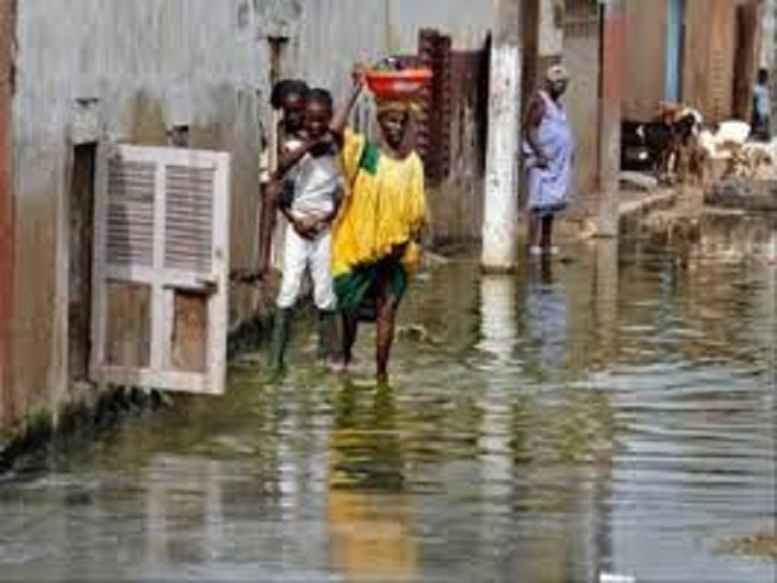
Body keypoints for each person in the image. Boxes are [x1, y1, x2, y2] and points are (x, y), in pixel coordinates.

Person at [329, 65, 428, 383]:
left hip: (395, 250)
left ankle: (382, 375)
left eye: (401, 121)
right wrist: (356, 90)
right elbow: (335, 130)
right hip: (357, 247)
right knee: (350, 308)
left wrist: (410, 242)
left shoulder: (412, 164)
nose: (396, 127)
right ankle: (346, 353)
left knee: (388, 309)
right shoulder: (364, 153)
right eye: (390, 121)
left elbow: (416, 213)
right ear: (379, 121)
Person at [268, 88, 344, 372]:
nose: (315, 125)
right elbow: (280, 169)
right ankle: (276, 361)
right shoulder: (294, 146)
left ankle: (325, 356)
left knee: (324, 290)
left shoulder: (334, 146)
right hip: (297, 229)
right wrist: (297, 222)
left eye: (321, 119)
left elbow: (339, 196)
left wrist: (323, 220)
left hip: (323, 228)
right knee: (288, 288)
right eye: (310, 119)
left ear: (328, 118)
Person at [258, 79, 310, 279]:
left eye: (297, 111)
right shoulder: (282, 128)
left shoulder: (315, 125)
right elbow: (283, 164)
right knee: (270, 190)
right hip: (295, 189)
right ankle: (262, 263)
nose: (292, 116)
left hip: (317, 189)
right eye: (288, 111)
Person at [523, 64, 575, 257]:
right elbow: (530, 129)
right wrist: (541, 154)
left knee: (550, 205)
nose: (561, 86)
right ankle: (532, 244)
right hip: (542, 161)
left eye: (563, 83)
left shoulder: (558, 104)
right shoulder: (540, 101)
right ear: (549, 83)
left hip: (556, 163)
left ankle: (546, 243)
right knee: (537, 205)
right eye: (557, 82)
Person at [752, 68, 771, 142]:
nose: (764, 79)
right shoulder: (756, 87)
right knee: (759, 123)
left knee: (764, 123)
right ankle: (759, 136)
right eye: (762, 76)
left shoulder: (766, 87)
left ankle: (764, 136)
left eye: (765, 77)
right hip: (759, 108)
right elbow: (755, 99)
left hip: (765, 109)